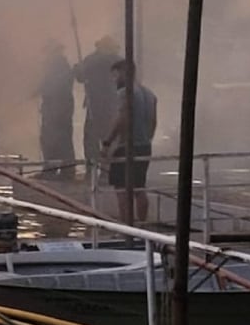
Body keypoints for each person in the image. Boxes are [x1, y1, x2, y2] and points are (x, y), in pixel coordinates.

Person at [100, 58, 158, 224]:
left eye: (116, 75)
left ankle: (127, 230)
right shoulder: (149, 94)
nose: (114, 80)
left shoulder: (125, 93)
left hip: (127, 147)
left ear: (124, 73)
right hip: (145, 146)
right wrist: (146, 138)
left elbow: (122, 118)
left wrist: (107, 142)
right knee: (139, 188)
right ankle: (142, 227)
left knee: (122, 191)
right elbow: (153, 122)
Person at [74, 35, 121, 167]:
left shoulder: (93, 60)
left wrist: (78, 68)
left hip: (97, 104)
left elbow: (80, 76)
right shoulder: (119, 61)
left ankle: (93, 169)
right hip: (112, 105)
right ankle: (108, 170)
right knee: (109, 138)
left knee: (92, 139)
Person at [36, 39, 76, 179]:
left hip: (56, 107)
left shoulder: (57, 66)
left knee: (52, 139)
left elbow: (52, 86)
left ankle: (54, 170)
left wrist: (36, 90)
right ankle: (65, 171)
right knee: (61, 138)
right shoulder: (60, 66)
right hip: (59, 107)